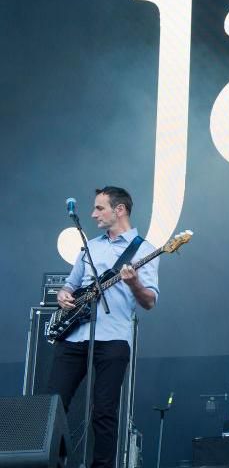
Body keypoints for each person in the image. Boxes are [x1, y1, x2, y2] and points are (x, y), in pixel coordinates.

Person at [47, 187, 159, 468]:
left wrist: (133, 282)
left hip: (113, 339)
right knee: (51, 406)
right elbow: (70, 286)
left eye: (99, 208)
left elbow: (149, 302)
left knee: (104, 412)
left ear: (118, 210)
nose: (93, 214)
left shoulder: (144, 250)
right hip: (74, 335)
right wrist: (63, 295)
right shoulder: (91, 246)